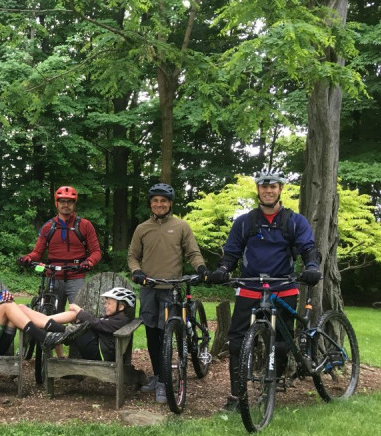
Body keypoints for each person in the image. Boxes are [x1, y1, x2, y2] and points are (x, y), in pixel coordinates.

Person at [208, 166, 321, 412]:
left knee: (281, 342)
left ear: (280, 189)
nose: (268, 191)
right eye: (264, 186)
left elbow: (308, 248)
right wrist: (223, 270)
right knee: (236, 343)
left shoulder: (294, 221)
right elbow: (231, 253)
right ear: (258, 190)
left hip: (283, 288)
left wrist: (312, 265)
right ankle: (237, 397)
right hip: (250, 288)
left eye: (273, 186)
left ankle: (272, 387)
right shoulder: (244, 222)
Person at [128, 183, 207, 404]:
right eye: (155, 201)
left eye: (163, 201)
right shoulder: (142, 228)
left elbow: (193, 252)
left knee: (167, 335)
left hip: (172, 289)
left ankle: (165, 381)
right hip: (149, 287)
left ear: (170, 203)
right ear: (151, 204)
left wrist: (201, 268)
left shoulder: (181, 226)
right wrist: (137, 271)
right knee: (152, 334)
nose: (159, 204)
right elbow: (133, 255)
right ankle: (157, 375)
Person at [17, 186, 102, 357]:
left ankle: (76, 357)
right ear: (57, 204)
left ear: (74, 204)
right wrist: (28, 258)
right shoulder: (49, 226)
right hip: (53, 275)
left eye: (69, 202)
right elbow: (37, 252)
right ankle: (58, 356)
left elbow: (96, 251)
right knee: (51, 315)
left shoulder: (84, 225)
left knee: (78, 314)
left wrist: (89, 262)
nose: (66, 205)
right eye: (62, 201)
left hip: (76, 274)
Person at [19, 287, 136, 362]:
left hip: (99, 354)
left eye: (109, 303)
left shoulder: (120, 321)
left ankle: (42, 322)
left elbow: (96, 323)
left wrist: (80, 311)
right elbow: (96, 323)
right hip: (95, 348)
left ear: (121, 306)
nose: (106, 305)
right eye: (106, 303)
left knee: (77, 316)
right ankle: (44, 323)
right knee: (76, 318)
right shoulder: (114, 318)